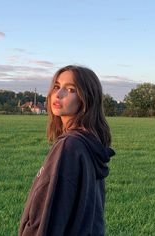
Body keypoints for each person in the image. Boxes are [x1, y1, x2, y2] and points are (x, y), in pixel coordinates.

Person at [19, 65, 115, 236]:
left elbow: (51, 215)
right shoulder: (88, 142)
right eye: (56, 86)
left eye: (70, 89)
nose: (58, 94)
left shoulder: (70, 146)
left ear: (86, 98)